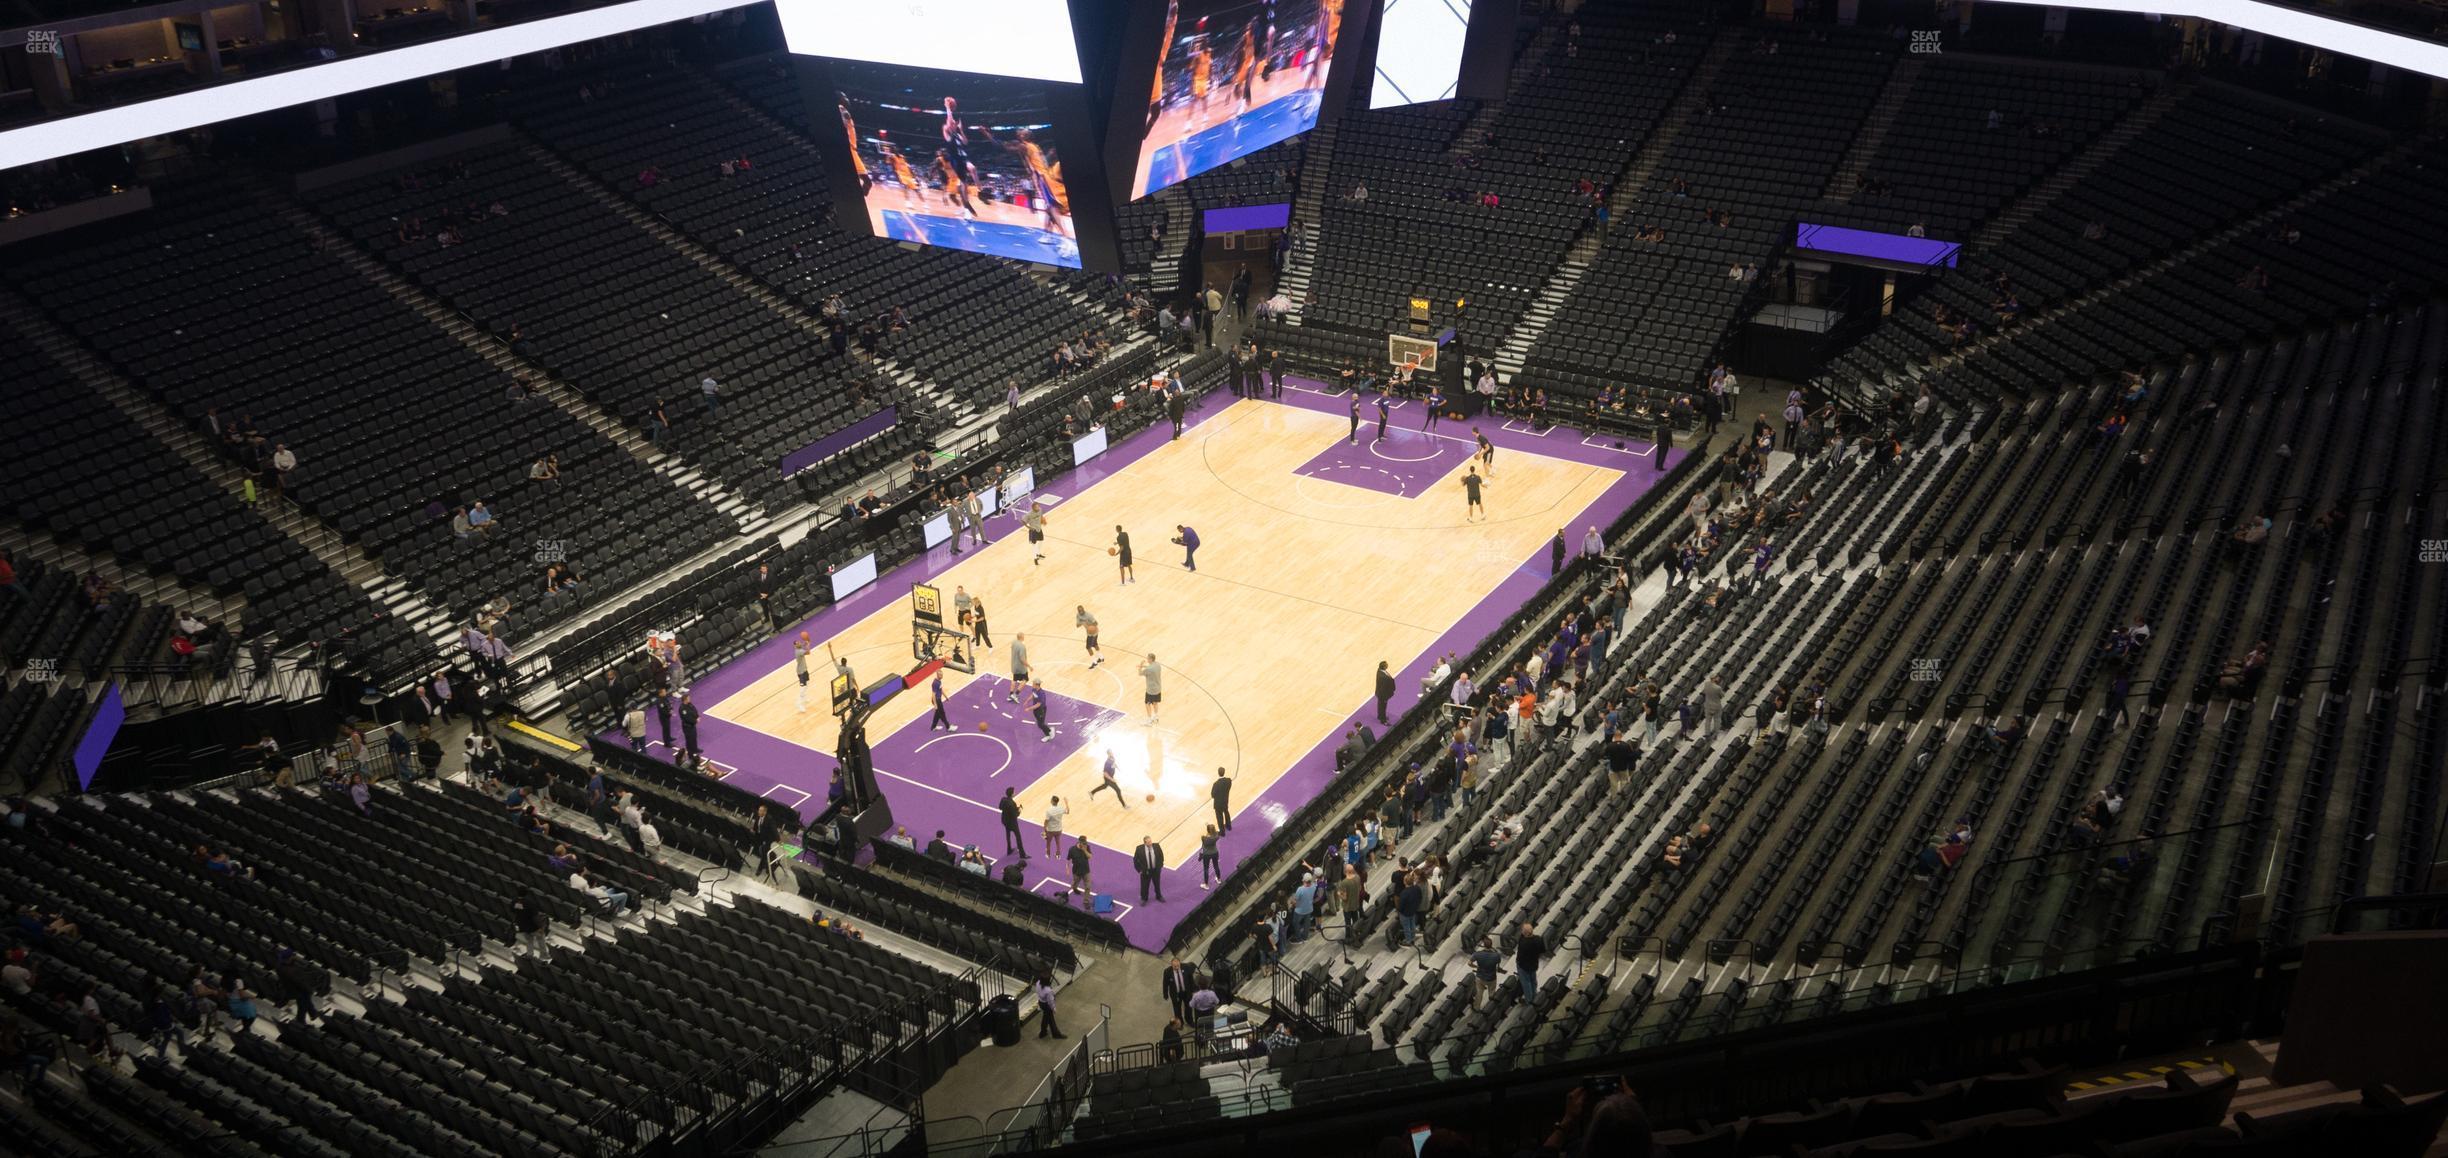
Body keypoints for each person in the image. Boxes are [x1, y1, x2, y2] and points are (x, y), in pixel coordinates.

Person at [1515, 922, 1547, 1003]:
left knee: (1526, 983)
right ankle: (1534, 997)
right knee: (1533, 981)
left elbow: (1520, 957)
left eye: (1522, 930)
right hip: (1534, 964)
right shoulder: (1538, 939)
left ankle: (1529, 1001)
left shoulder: (1523, 943)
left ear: (1524, 932)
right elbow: (1543, 950)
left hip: (1523, 966)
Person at [1135, 836, 1168, 903]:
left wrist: (1160, 865)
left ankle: (1159, 896)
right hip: (1145, 871)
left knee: (1157, 884)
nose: (1150, 843)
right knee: (1144, 886)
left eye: (1151, 841)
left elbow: (1161, 855)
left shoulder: (1156, 846)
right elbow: (1135, 860)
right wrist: (1139, 870)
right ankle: (1144, 899)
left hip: (1155, 870)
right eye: (1149, 842)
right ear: (1145, 843)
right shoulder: (1139, 849)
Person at [1035, 974, 1065, 1039]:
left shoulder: (1037, 983)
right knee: (1051, 1020)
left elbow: (1038, 993)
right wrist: (1053, 1008)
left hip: (1041, 1003)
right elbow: (1050, 1001)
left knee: (1045, 1018)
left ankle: (1043, 1032)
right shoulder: (1048, 990)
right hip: (1047, 1006)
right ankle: (1056, 1034)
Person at [1198, 824, 1224, 889]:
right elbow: (1215, 833)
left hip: (1206, 854)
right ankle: (1219, 879)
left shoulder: (1204, 838)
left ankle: (1206, 885)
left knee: (1206, 869)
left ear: (1208, 830)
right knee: (1216, 866)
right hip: (1215, 853)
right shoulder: (1216, 836)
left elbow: (1204, 842)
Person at [1139, 656, 1163, 723]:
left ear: (1150, 659)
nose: (1147, 659)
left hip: (1151, 690)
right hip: (1158, 688)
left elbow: (1140, 673)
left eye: (1148, 658)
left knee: (1147, 703)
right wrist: (1144, 666)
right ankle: (1156, 716)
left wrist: (1141, 665)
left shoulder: (1148, 669)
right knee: (1155, 702)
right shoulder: (1158, 665)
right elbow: (1151, 668)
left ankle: (1149, 720)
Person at [1211, 767, 1233, 833]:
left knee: (1219, 817)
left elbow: (1213, 795)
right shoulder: (1228, 781)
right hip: (1225, 801)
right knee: (1226, 812)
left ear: (1218, 773)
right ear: (1224, 772)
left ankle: (1222, 832)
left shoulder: (1216, 784)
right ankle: (1229, 826)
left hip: (1218, 804)